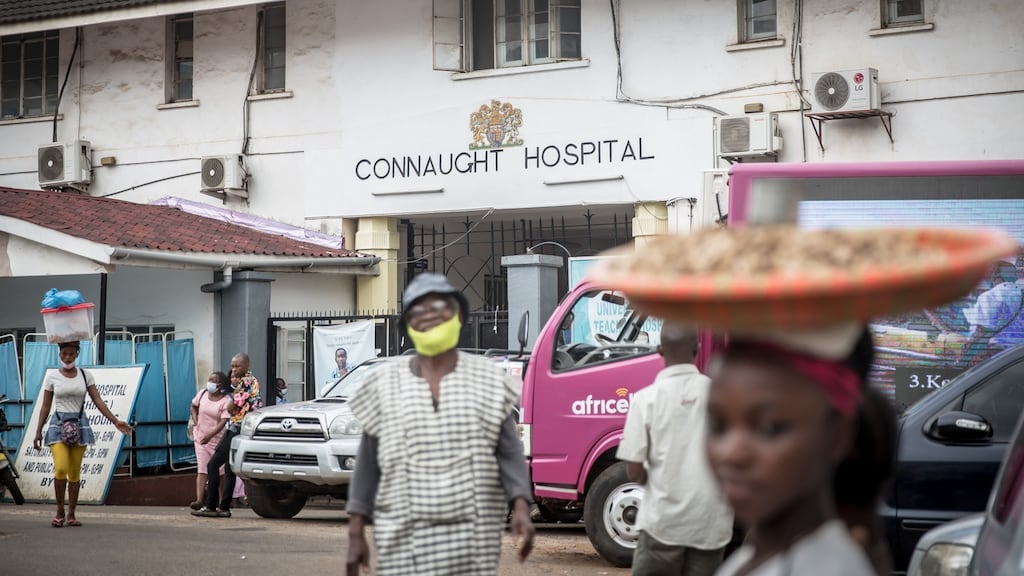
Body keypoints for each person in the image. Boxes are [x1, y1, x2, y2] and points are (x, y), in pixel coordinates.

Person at [345, 273, 535, 575]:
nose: (430, 315)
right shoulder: (383, 383)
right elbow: (368, 461)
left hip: (472, 539)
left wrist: (521, 505)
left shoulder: (487, 380)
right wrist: (356, 531)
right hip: (402, 539)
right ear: (408, 324)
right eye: (419, 310)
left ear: (458, 315)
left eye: (439, 307)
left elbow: (508, 451)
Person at [707, 324, 880, 576]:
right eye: (718, 425)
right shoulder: (755, 556)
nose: (731, 453)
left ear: (837, 437)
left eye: (770, 428)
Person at [617, 323, 733, 576]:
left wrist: (660, 481)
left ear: (660, 350)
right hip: (710, 524)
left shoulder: (645, 400)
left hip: (662, 523)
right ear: (697, 348)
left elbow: (634, 471)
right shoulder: (720, 395)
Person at [32, 340, 134, 527]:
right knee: (61, 468)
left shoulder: (86, 375)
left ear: (77, 354)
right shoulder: (52, 377)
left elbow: (98, 400)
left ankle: (71, 514)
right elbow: (45, 406)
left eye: (71, 354)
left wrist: (115, 421)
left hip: (80, 425)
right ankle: (59, 511)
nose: (67, 357)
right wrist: (38, 431)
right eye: (64, 354)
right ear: (59, 354)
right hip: (58, 425)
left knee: (74, 472)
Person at [192, 352, 263, 518]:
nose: (234, 369)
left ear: (246, 366)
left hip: (236, 427)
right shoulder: (251, 381)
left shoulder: (246, 382)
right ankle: (224, 507)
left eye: (237, 366)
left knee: (212, 465)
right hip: (243, 427)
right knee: (230, 470)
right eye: (232, 366)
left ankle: (211, 505)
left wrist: (234, 400)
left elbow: (231, 407)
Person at [959, 260, 1024, 366]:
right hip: (1018, 357)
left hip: (996, 358)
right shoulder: (1020, 294)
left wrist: (963, 359)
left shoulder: (989, 297)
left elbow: (981, 332)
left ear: (995, 275)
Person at [188, 371, 232, 511]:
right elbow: (193, 406)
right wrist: (196, 420)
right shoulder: (202, 394)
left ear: (221, 385)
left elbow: (223, 422)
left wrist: (210, 435)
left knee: (220, 472)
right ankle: (199, 500)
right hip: (201, 438)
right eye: (210, 380)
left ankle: (222, 501)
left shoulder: (226, 401)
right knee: (202, 468)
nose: (210, 383)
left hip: (217, 440)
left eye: (214, 380)